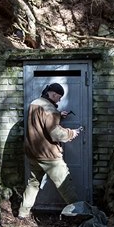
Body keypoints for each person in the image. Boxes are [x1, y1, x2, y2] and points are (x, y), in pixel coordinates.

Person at [18, 83, 81, 219]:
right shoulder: (50, 109)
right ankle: (80, 214)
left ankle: (23, 213)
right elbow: (55, 133)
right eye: (59, 97)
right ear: (53, 95)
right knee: (65, 185)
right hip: (49, 156)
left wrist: (58, 115)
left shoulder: (35, 104)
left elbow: (40, 122)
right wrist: (71, 133)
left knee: (33, 184)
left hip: (33, 154)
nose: (59, 100)